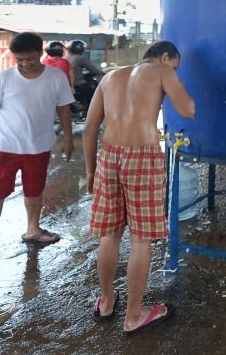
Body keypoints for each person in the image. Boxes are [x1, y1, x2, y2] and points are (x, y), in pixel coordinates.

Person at [84, 41, 195, 334]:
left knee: (110, 235)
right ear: (165, 56)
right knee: (141, 240)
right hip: (142, 156)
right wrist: (173, 80)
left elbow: (90, 126)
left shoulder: (110, 77)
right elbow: (188, 110)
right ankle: (134, 315)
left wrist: (90, 170)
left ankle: (106, 301)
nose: (173, 70)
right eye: (175, 65)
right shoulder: (162, 69)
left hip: (109, 155)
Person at [0, 32, 76, 274]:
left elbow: (63, 109)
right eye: (19, 60)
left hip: (39, 147)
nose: (25, 64)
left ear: (39, 53)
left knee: (34, 191)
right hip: (4, 148)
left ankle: (33, 229)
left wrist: (69, 139)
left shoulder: (56, 77)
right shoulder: (3, 78)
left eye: (30, 58)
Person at [66, 40, 105, 112]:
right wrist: (104, 73)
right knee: (95, 95)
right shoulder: (80, 58)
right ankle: (90, 113)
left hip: (67, 85)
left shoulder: (65, 57)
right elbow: (94, 70)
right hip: (77, 84)